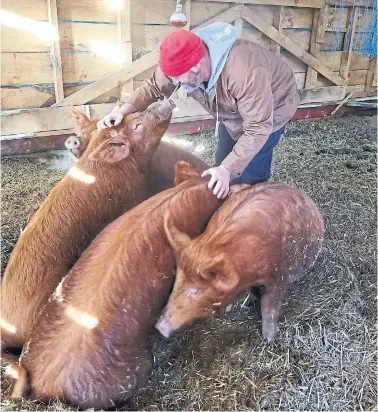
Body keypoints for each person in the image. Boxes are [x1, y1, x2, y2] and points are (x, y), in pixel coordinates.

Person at [98, 22, 300, 199]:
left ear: (195, 67)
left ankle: (256, 203)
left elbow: (258, 128)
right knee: (222, 162)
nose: (174, 83)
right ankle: (226, 197)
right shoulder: (182, 60)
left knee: (250, 171)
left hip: (273, 106)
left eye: (178, 78)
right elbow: (154, 86)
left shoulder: (244, 73)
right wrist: (125, 109)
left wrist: (227, 169)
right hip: (233, 111)